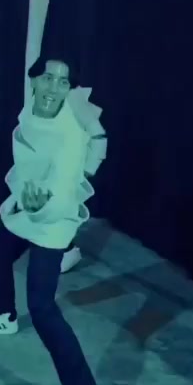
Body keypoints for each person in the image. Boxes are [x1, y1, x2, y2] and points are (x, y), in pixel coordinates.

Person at [0, 56, 115, 385]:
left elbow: (64, 189)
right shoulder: (29, 112)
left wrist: (41, 206)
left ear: (69, 90)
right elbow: (26, 166)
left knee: (42, 306)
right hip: (26, 206)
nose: (53, 88)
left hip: (54, 218)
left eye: (62, 82)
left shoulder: (71, 135)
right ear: (33, 81)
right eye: (47, 78)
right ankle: (4, 315)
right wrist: (25, 201)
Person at [59, 87, 108, 273]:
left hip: (70, 165)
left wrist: (88, 170)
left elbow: (99, 136)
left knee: (62, 207)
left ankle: (67, 250)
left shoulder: (75, 99)